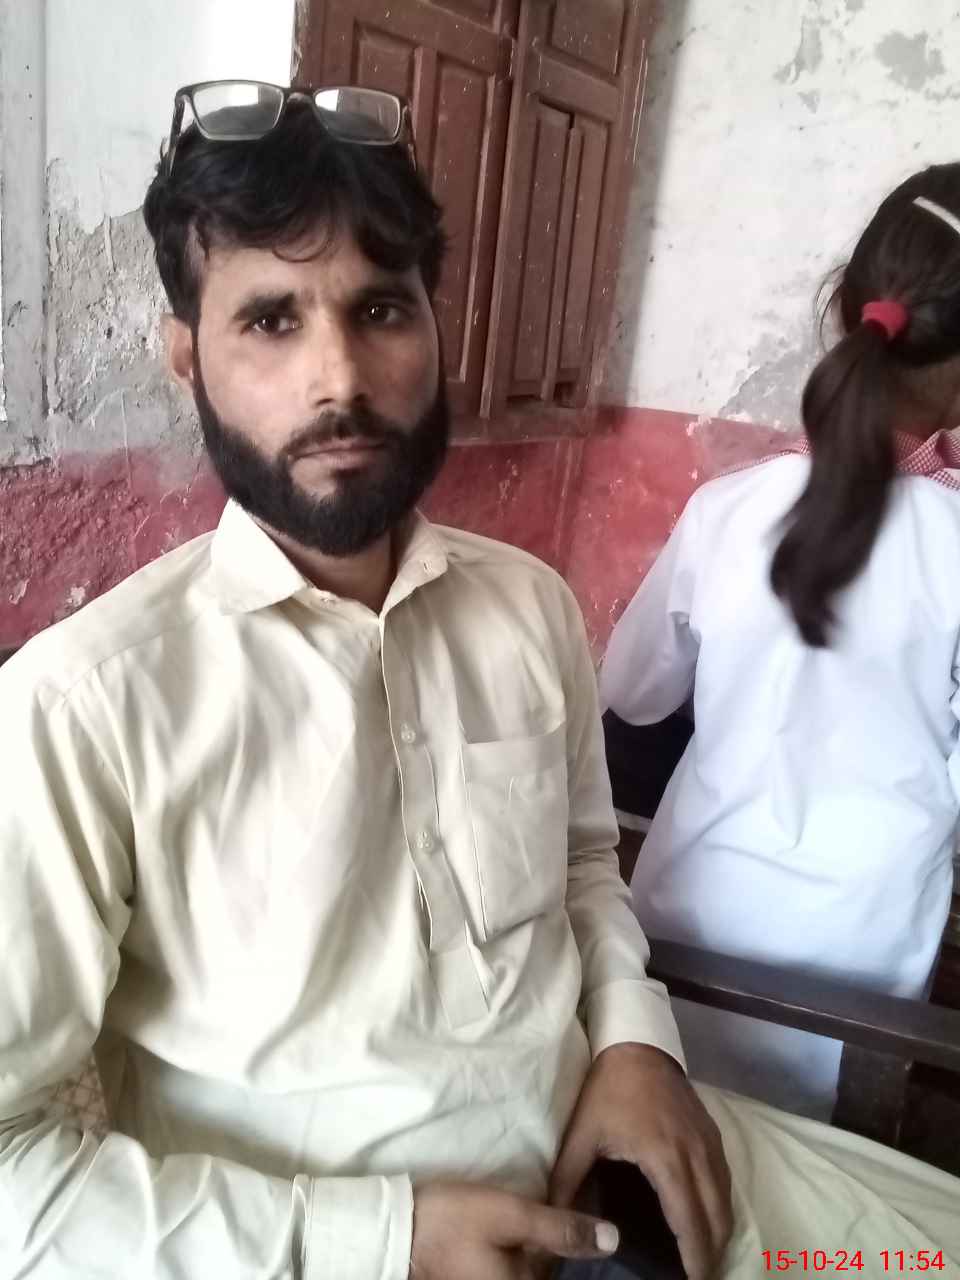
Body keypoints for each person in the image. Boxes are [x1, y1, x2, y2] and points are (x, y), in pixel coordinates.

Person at [1, 86, 958, 1280]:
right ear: (187, 354)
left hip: (608, 1171)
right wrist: (381, 1237)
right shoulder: (81, 705)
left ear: (435, 325)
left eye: (380, 308)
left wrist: (633, 1040)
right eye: (271, 320)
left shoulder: (529, 606)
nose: (340, 377)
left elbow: (582, 864)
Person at [600, 163, 960, 1120]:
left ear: (847, 307)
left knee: (659, 1139)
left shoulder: (725, 511)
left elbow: (633, 692)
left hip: (687, 924)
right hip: (859, 969)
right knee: (805, 1169)